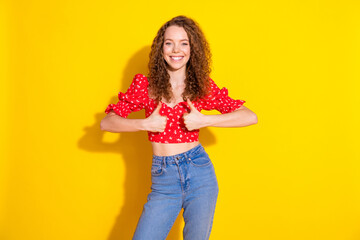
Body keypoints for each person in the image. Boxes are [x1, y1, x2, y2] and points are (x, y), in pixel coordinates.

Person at [100, 15, 257, 240]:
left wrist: (205, 120)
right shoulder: (145, 86)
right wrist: (144, 124)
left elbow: (249, 116)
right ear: (161, 49)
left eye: (184, 43)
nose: (176, 49)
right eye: (169, 42)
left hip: (199, 172)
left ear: (192, 49)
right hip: (164, 180)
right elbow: (107, 123)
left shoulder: (202, 86)